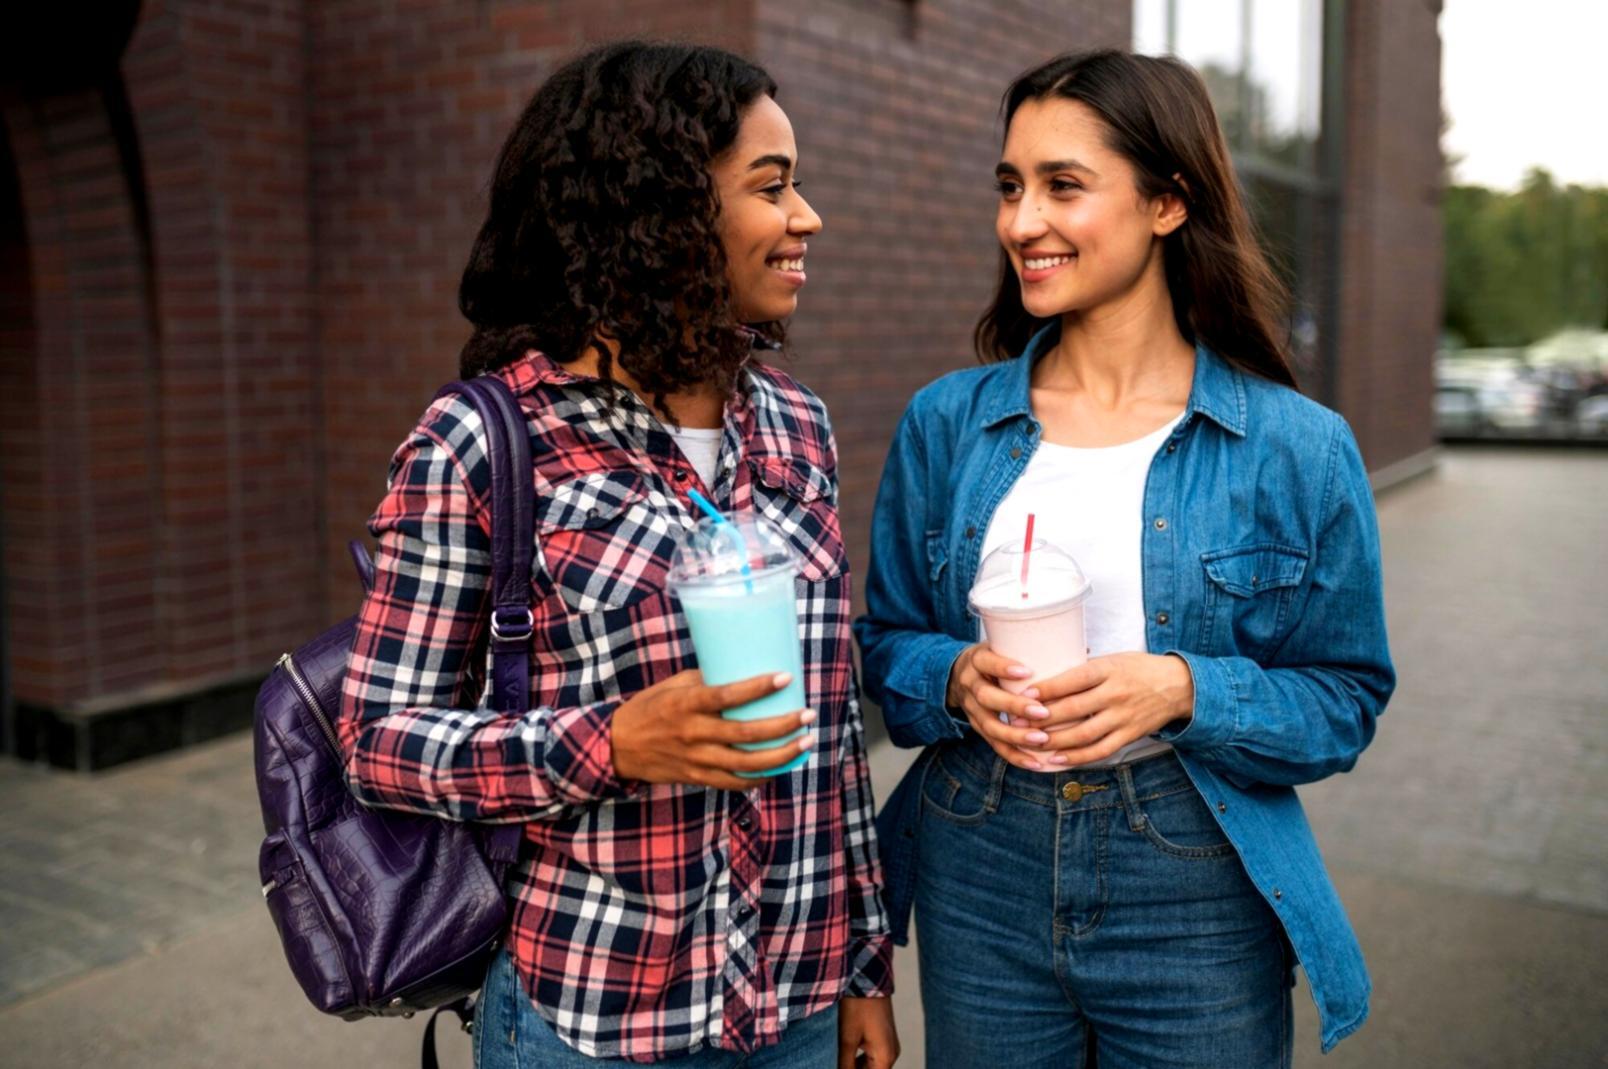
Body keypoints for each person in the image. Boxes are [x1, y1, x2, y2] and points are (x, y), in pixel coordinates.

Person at [339, 41, 898, 1069]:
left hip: (798, 1007)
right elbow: (377, 738)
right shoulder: (487, 442)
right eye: (772, 188)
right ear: (662, 215)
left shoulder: (798, 426)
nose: (806, 216)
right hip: (596, 1020)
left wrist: (864, 968)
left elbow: (831, 733)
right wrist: (611, 742)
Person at [855, 49, 1394, 1067]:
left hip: (1192, 875)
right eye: (1010, 188)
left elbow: (1345, 700)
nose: (1022, 222)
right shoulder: (947, 425)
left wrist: (1186, 688)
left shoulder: (1299, 448)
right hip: (981, 863)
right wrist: (953, 676)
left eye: (1064, 186)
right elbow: (882, 644)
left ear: (1166, 203)